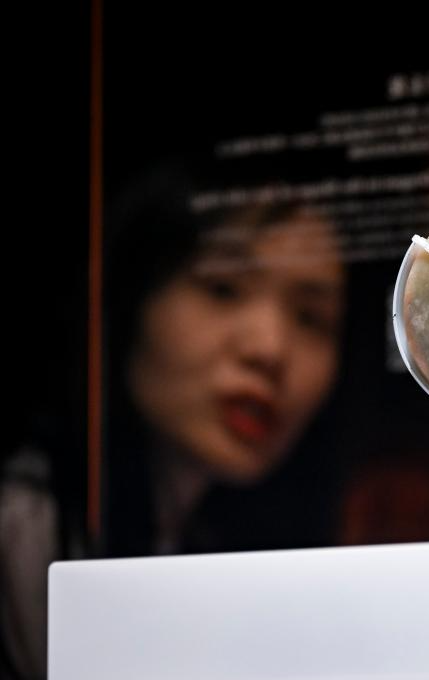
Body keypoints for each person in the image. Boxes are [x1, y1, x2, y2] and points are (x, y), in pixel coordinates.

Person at [0, 161, 347, 678]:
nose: (270, 348)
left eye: (311, 318)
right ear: (132, 297)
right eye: (222, 288)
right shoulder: (27, 531)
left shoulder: (208, 545)